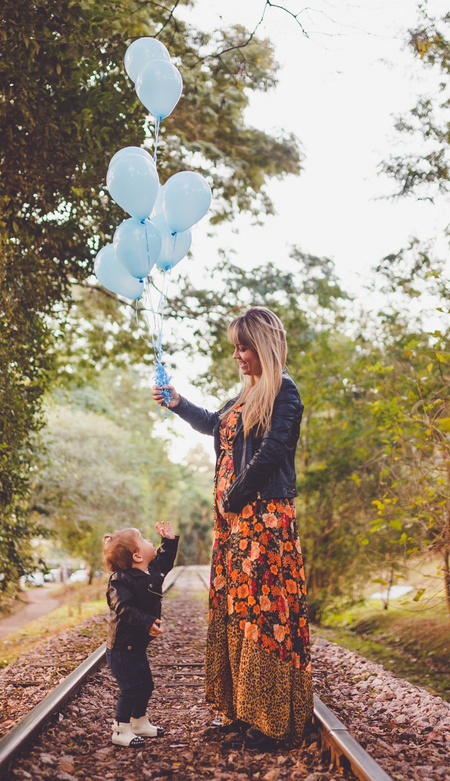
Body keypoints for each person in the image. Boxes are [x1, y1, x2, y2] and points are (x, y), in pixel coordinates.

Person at [151, 306, 310, 751]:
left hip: (263, 522)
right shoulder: (245, 394)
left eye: (244, 347)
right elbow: (214, 426)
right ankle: (242, 710)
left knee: (265, 615)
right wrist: (177, 403)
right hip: (235, 526)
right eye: (235, 348)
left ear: (265, 346)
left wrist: (234, 497)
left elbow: (274, 451)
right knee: (240, 612)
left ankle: (271, 720)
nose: (238, 355)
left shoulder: (284, 391)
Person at [103, 521, 179, 748]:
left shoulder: (151, 571)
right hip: (120, 650)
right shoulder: (120, 581)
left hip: (135, 647)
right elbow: (123, 608)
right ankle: (120, 728)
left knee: (145, 685)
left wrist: (169, 540)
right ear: (136, 556)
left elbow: (165, 560)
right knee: (131, 688)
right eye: (144, 540)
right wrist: (146, 622)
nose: (149, 541)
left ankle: (138, 722)